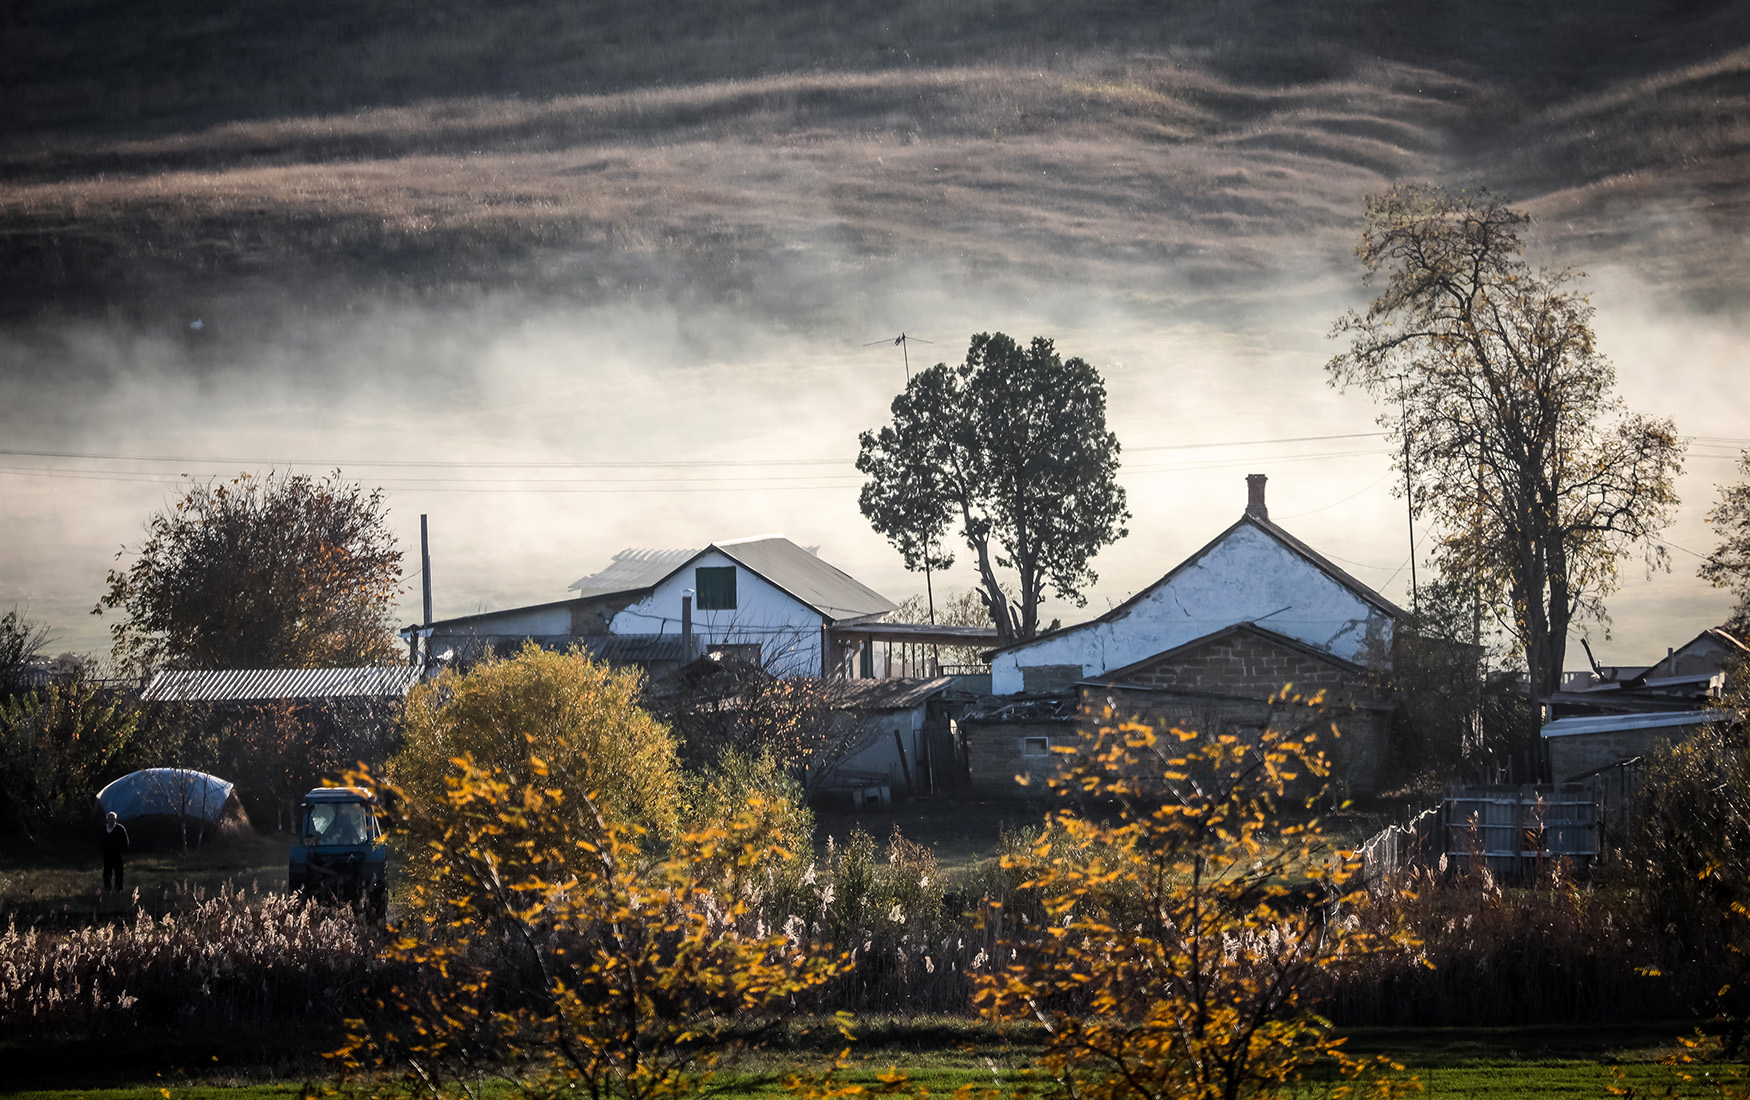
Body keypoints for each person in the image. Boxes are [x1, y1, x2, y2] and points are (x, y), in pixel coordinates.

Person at [100, 811, 129, 893]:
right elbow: (100, 840)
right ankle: (107, 887)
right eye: (109, 819)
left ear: (115, 819)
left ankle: (118, 889)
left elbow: (125, 841)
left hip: (117, 855)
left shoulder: (120, 828)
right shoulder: (104, 829)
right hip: (107, 855)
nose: (111, 821)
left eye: (112, 819)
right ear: (107, 820)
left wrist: (122, 851)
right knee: (106, 872)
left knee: (119, 873)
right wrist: (102, 850)